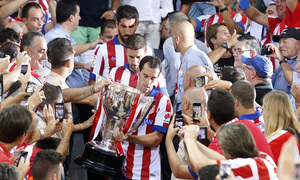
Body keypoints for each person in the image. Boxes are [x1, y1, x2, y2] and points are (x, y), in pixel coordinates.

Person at [113, 56, 172, 179]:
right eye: (145, 76)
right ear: (138, 72)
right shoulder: (124, 95)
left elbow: (156, 139)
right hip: (119, 167)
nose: (148, 82)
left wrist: (128, 138)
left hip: (145, 172)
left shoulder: (162, 101)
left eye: (153, 78)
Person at [184, 123, 278, 179]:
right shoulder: (262, 157)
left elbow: (198, 165)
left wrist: (189, 139)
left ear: (228, 151)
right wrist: (192, 141)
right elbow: (221, 159)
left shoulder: (245, 165)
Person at [45, 0, 101, 87]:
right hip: (65, 93)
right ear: (71, 17)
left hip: (76, 92)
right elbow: (61, 55)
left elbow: (66, 61)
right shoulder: (53, 36)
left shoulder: (68, 37)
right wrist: (90, 45)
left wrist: (84, 66)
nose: (80, 18)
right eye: (78, 14)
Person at [90, 5, 153, 81]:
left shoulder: (147, 49)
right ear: (117, 24)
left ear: (137, 24)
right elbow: (93, 80)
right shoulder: (103, 49)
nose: (127, 32)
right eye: (123, 26)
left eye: (131, 27)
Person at [162, 11, 207, 100]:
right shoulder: (202, 47)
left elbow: (175, 65)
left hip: (184, 99)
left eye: (167, 29)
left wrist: (171, 93)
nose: (167, 34)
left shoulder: (170, 42)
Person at [166, 87, 209, 180]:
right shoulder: (208, 130)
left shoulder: (193, 135)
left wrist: (168, 139)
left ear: (186, 105)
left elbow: (178, 171)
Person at [172, 20, 213, 112]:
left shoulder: (193, 58)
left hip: (191, 112)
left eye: (172, 37)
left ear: (177, 39)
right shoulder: (191, 56)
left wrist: (195, 117)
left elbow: (198, 92)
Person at [262, 91, 300, 165]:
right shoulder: (295, 130)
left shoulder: (280, 139)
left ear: (270, 113)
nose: (262, 114)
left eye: (263, 109)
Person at [267, 27, 300, 99]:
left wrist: (281, 58)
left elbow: (294, 81)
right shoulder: (285, 62)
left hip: (289, 109)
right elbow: (268, 82)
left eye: (285, 42)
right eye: (279, 42)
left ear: (298, 44)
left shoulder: (296, 63)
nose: (280, 45)